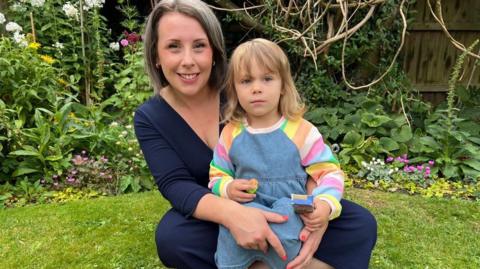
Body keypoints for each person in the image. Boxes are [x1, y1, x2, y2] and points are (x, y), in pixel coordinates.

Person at [134, 0, 377, 268]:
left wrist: (316, 214)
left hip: (286, 207)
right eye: (173, 46)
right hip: (215, 215)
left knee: (360, 224)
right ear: (156, 56)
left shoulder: (244, 88)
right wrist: (235, 216)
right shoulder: (151, 117)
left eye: (199, 45)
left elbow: (304, 159)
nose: (188, 60)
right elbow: (176, 185)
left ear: (214, 51)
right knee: (173, 237)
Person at [208, 38, 346, 269]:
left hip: (290, 206)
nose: (257, 88)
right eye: (246, 81)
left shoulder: (301, 130)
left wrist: (324, 203)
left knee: (286, 236)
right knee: (230, 246)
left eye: (267, 78)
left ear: (283, 85)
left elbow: (330, 173)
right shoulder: (231, 133)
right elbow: (217, 174)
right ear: (234, 89)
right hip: (247, 210)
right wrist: (228, 187)